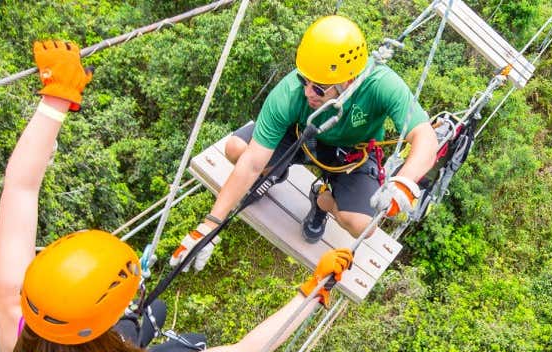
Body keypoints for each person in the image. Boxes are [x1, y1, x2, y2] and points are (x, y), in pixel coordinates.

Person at [0, 39, 354, 352]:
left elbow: (20, 187)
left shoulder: (12, 307)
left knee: (156, 310)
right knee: (192, 344)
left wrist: (56, 100)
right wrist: (311, 293)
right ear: (98, 324)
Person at [170, 15, 437, 272]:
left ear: (349, 82)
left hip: (350, 154)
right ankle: (274, 174)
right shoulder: (289, 93)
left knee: (363, 227)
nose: (308, 92)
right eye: (304, 80)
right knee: (236, 150)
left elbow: (425, 137)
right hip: (302, 137)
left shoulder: (380, 83)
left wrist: (405, 180)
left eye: (319, 88)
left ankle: (321, 202)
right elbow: (251, 162)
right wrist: (209, 225)